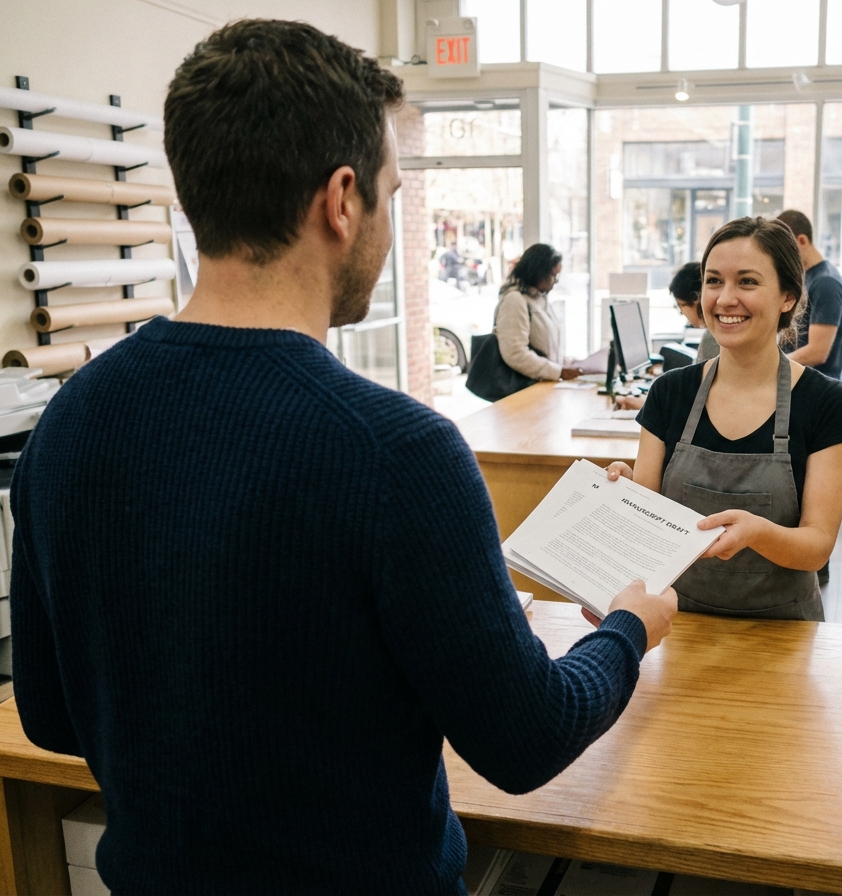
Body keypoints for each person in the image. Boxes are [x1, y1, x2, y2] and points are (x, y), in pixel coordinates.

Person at [10, 20, 676, 895]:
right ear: (342, 199)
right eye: (394, 196)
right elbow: (528, 740)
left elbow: (54, 717)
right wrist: (629, 629)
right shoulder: (396, 452)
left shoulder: (71, 419)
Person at [607, 217, 842, 620]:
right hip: (675, 624)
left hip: (781, 633)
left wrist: (758, 532)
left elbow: (817, 547)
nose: (725, 299)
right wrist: (625, 496)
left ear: (788, 297)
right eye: (713, 281)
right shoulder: (669, 393)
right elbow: (649, 521)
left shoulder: (826, 402)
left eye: (747, 282)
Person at [614, 262, 716, 411]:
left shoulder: (712, 339)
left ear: (696, 300)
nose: (681, 313)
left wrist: (647, 405)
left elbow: (694, 408)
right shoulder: (714, 336)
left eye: (680, 306)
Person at [776, 209, 842, 384]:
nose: (783, 258)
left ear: (802, 241)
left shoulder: (826, 283)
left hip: (821, 394)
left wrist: (772, 366)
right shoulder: (806, 279)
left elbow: (817, 352)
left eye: (786, 250)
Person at [494, 243, 584, 382]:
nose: (555, 281)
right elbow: (515, 353)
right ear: (538, 272)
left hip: (543, 385)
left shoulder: (539, 298)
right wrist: (557, 371)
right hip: (523, 390)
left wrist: (569, 364)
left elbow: (547, 350)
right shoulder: (514, 300)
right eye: (553, 275)